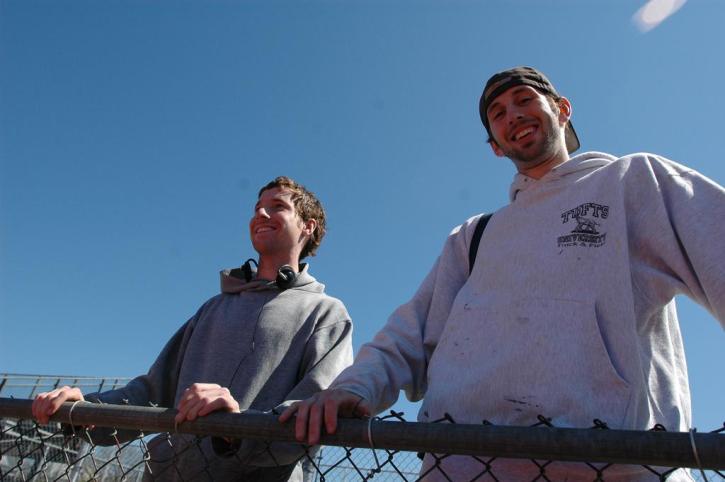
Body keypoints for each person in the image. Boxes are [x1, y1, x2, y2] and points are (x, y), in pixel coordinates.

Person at [280, 67, 725, 481]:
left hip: (611, 466)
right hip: (459, 466)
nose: (513, 115)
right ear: (495, 145)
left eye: (524, 99)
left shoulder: (635, 182)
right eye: (498, 114)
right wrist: (354, 387)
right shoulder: (474, 236)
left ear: (561, 108)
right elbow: (407, 335)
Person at [33, 176, 354, 482]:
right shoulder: (213, 308)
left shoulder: (327, 313)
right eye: (257, 206)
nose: (260, 213)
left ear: (307, 227)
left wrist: (238, 429)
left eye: (278, 206)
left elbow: (315, 411)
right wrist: (86, 409)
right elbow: (152, 391)